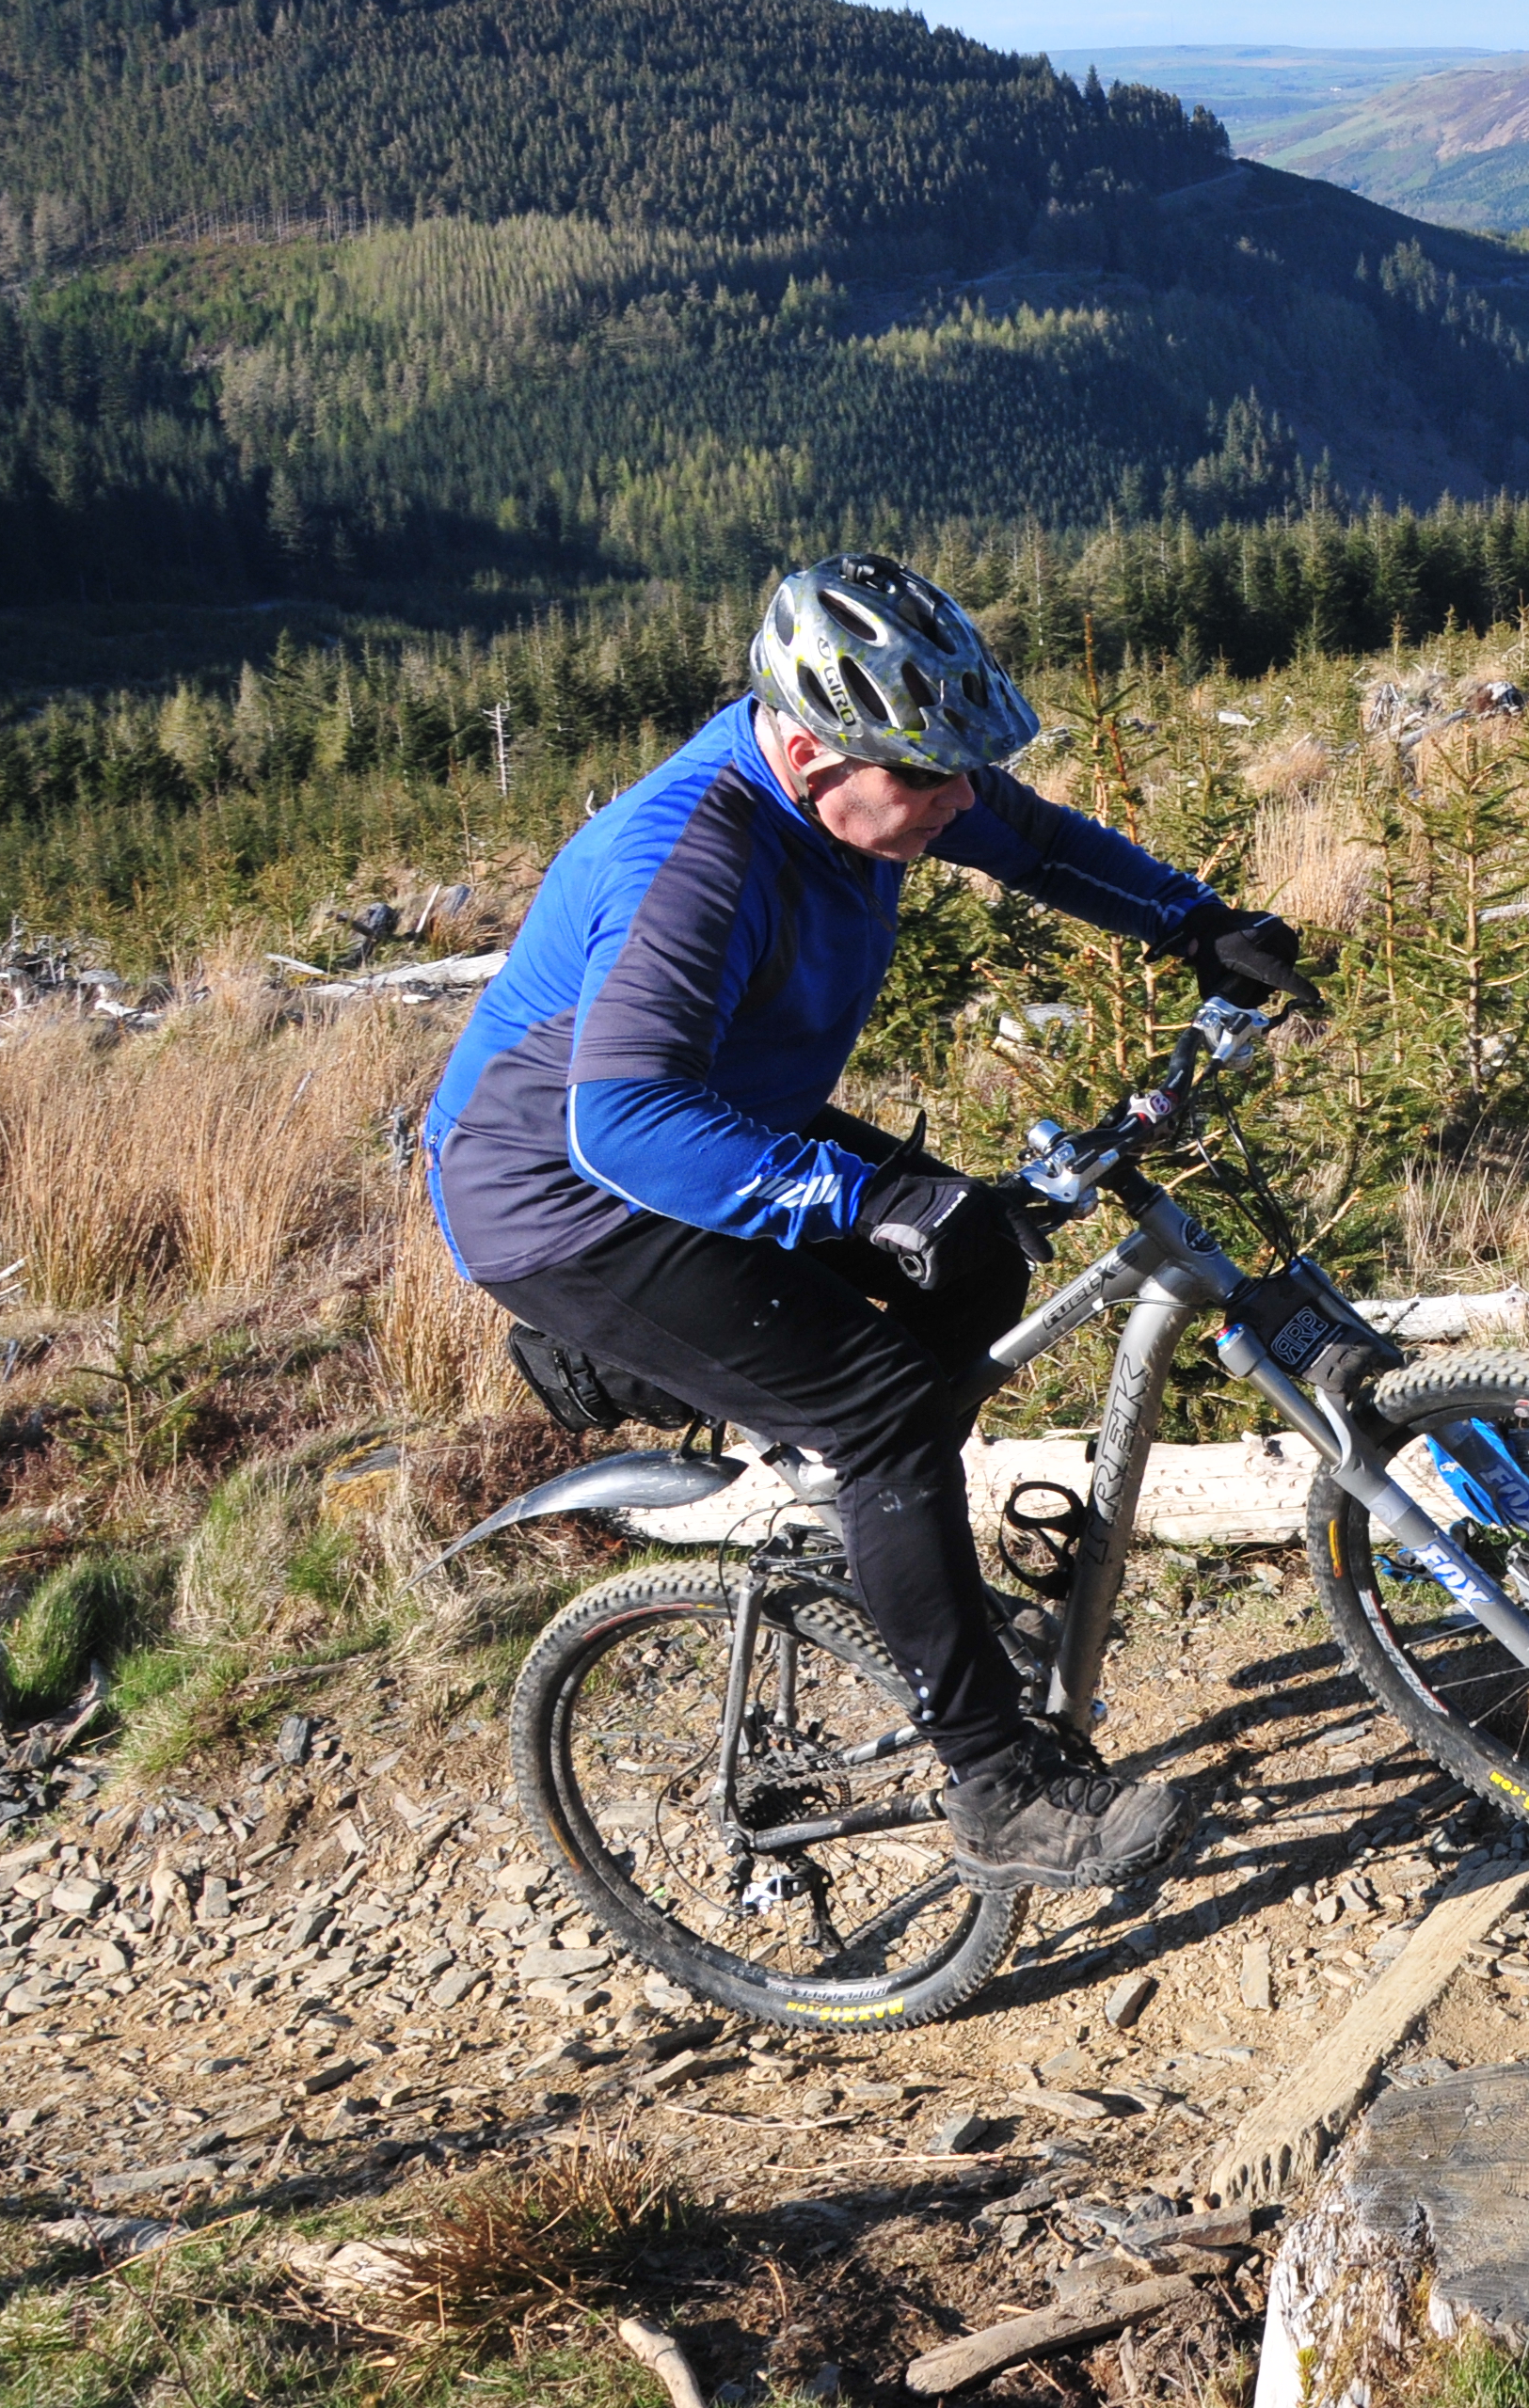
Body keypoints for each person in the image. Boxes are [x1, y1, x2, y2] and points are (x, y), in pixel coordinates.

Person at [422, 552, 1312, 1893]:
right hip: (563, 1193)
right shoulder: (694, 860)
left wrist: (1199, 927)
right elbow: (623, 1126)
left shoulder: (882, 779)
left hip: (719, 1112)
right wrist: (874, 1202)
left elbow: (1039, 839)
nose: (956, 803)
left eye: (957, 771)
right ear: (803, 749)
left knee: (979, 1258)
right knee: (884, 1409)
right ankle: (1000, 1790)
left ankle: (899, 1559)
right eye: (927, 780)